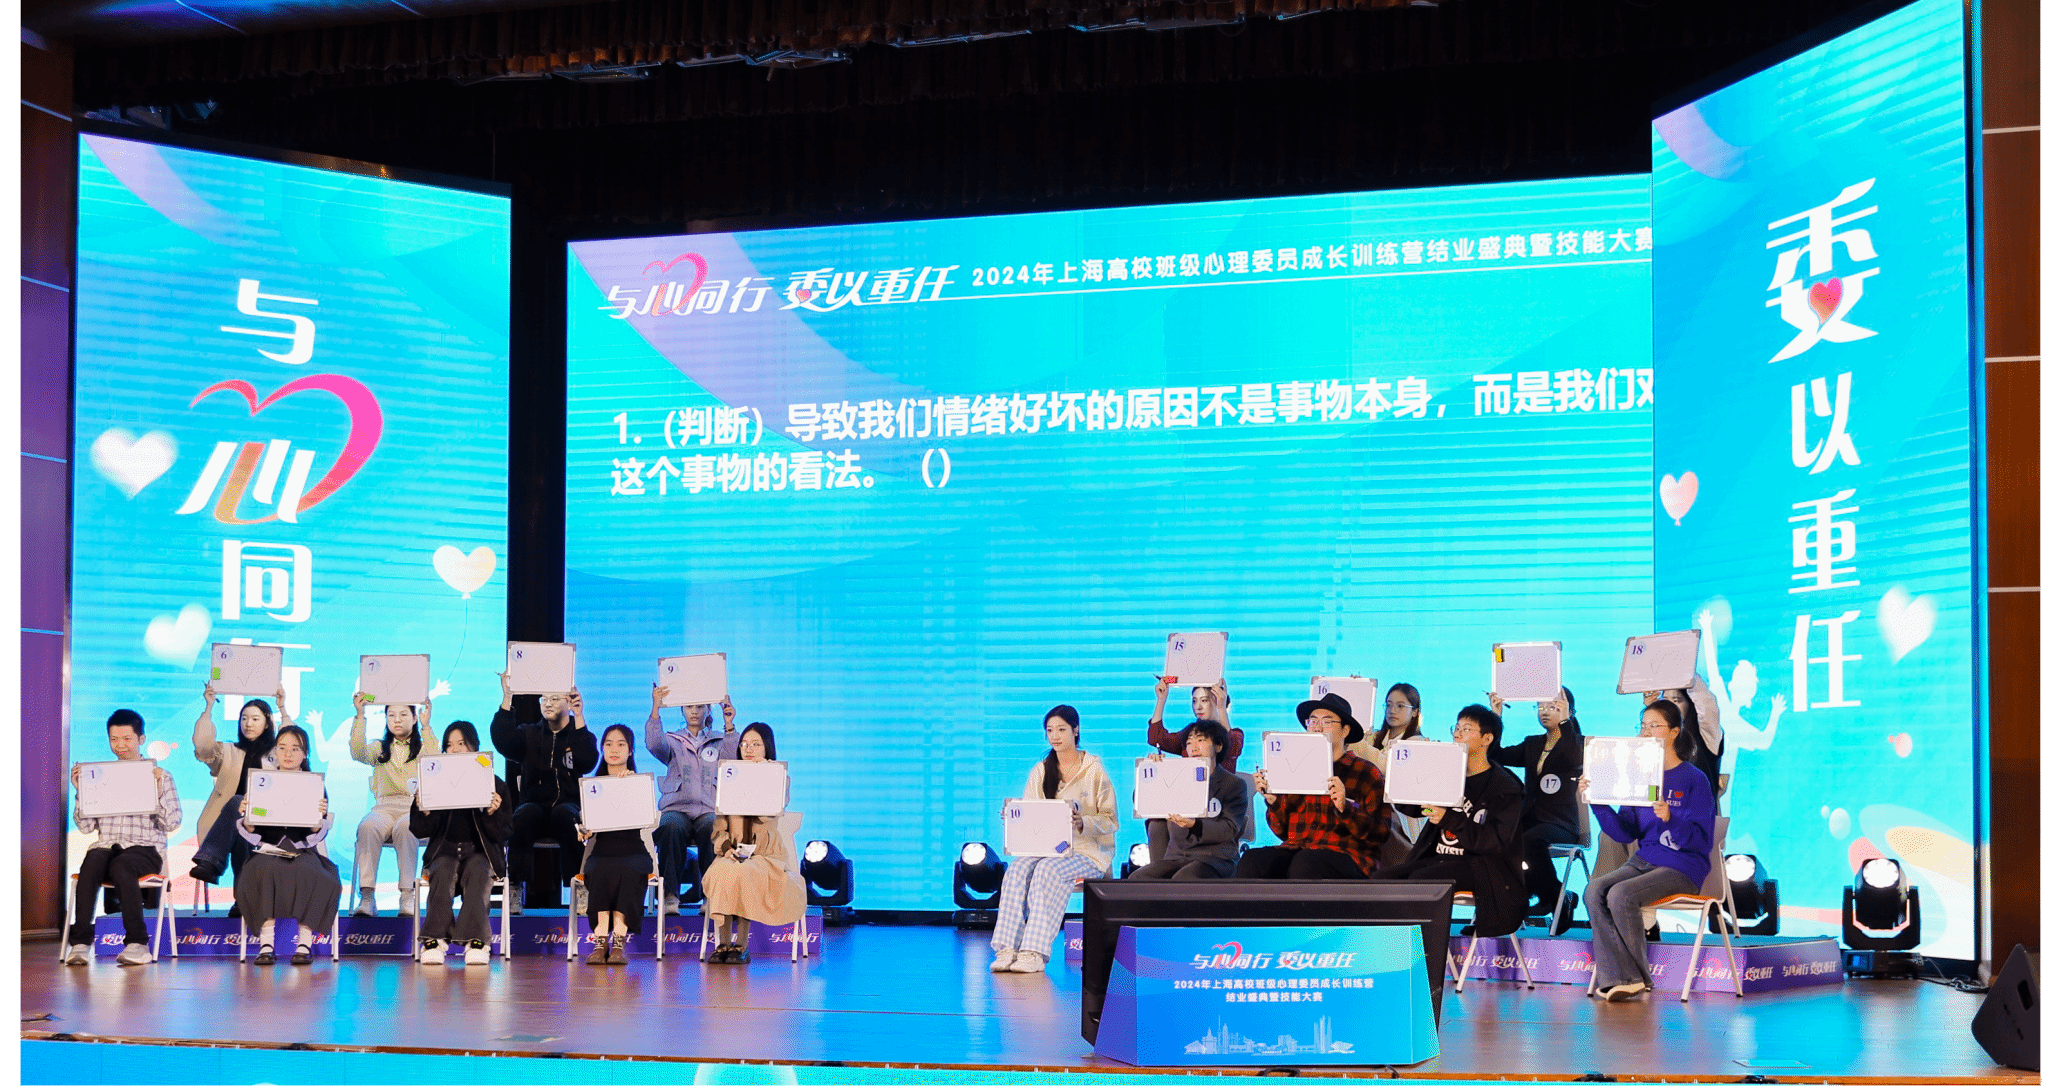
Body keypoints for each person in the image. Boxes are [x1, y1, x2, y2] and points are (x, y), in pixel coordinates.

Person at [1580, 699, 1717, 1001]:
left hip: (1684, 866)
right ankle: (1619, 977)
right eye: (1643, 726)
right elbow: (1623, 832)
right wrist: (1597, 800)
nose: (1645, 732)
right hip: (1646, 860)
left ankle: (1634, 978)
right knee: (1594, 890)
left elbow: (1700, 841)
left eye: (1654, 726)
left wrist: (1670, 819)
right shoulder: (1640, 775)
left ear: (1674, 732)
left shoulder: (1694, 779)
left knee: (1621, 894)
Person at [1373, 705, 1525, 937]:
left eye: (1467, 729)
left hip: (1482, 867)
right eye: (1456, 728)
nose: (1457, 734)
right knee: (1381, 880)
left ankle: (1422, 947)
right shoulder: (1447, 772)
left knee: (1420, 882)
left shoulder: (1505, 788)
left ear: (1487, 739)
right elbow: (1417, 808)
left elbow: (1494, 842)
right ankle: (1384, 942)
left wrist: (1449, 818)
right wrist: (1411, 772)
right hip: (1440, 859)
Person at [990, 706, 1118, 974]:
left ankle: (1034, 951)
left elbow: (1110, 820)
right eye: (1050, 730)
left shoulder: (1094, 770)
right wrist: (1015, 816)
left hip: (1088, 851)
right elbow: (1033, 815)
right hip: (1048, 849)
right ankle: (1007, 948)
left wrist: (1083, 822)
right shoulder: (1041, 771)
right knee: (1017, 869)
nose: (1055, 736)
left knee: (1048, 870)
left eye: (1061, 729)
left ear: (1076, 730)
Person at [65, 710, 183, 966]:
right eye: (114, 739)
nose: (120, 745)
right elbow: (85, 827)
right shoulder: (98, 775)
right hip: (107, 847)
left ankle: (137, 944)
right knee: (93, 860)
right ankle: (81, 944)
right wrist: (81, 793)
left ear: (141, 739)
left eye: (127, 739)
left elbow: (172, 822)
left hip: (145, 849)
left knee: (123, 865)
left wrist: (157, 796)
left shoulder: (160, 775)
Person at [1238, 694, 1391, 880]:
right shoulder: (1294, 768)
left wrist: (1346, 808)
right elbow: (1282, 832)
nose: (1317, 727)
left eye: (1327, 722)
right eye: (1312, 721)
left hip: (1347, 855)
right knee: (1253, 860)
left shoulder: (1366, 772)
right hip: (1298, 848)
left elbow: (1380, 834)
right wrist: (1274, 802)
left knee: (1306, 862)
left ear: (1345, 730)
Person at [233, 725, 342, 966]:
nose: (288, 754)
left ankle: (304, 944)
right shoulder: (261, 782)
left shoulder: (314, 784)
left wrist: (317, 819)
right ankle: (266, 944)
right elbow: (253, 830)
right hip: (268, 850)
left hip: (302, 850)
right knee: (260, 871)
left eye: (295, 749)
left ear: (305, 753)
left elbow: (315, 832)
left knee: (312, 873)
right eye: (282, 748)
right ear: (275, 751)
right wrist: (248, 816)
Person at [491, 672, 597, 912]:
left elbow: (587, 761)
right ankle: (515, 886)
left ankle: (579, 886)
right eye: (544, 699)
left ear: (568, 702)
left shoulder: (578, 734)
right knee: (522, 816)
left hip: (568, 806)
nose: (548, 704)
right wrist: (507, 697)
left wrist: (579, 717)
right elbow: (503, 741)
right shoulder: (529, 733)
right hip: (534, 806)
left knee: (568, 817)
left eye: (555, 699)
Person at [701, 723, 806, 965]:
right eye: (744, 744)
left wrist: (763, 775)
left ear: (767, 747)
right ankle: (722, 943)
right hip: (733, 853)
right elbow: (719, 828)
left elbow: (770, 812)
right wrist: (726, 848)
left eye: (756, 744)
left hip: (765, 856)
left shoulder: (779, 778)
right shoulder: (728, 779)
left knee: (745, 872)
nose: (748, 749)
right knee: (722, 871)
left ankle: (742, 945)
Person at [410, 719, 512, 966]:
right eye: (449, 745)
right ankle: (434, 940)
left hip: (480, 853)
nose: (454, 749)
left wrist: (492, 813)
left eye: (461, 744)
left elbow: (505, 832)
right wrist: (424, 811)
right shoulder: (433, 780)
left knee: (478, 873)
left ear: (474, 746)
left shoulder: (495, 783)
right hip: (444, 852)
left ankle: (476, 941)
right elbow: (419, 829)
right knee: (442, 873)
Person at [1491, 687, 1585, 926]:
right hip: (1530, 818)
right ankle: (1553, 896)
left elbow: (1572, 755)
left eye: (1552, 706)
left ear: (1568, 711)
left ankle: (1551, 897)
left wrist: (1565, 722)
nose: (1544, 711)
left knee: (1530, 841)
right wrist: (1496, 717)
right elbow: (1497, 756)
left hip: (1560, 823)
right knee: (1498, 838)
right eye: (1540, 706)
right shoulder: (1532, 743)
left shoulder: (1578, 744)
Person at [188, 683, 293, 896]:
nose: (248, 724)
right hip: (233, 823)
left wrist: (282, 709)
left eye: (255, 719)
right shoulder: (227, 751)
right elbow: (203, 746)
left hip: (268, 818)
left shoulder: (277, 754)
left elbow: (292, 741)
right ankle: (243, 901)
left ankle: (211, 861)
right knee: (241, 823)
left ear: (267, 723)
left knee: (239, 804)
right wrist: (208, 707)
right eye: (244, 718)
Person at [645, 688, 737, 916]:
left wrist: (729, 724)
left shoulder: (719, 739)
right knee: (670, 826)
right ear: (682, 710)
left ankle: (711, 895)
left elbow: (734, 757)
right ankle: (669, 896)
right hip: (677, 807)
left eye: (699, 707)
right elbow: (654, 744)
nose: (694, 712)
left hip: (708, 808)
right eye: (689, 707)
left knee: (712, 828)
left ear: (708, 709)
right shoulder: (672, 740)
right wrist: (656, 707)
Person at [349, 691, 439, 917]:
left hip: (413, 807)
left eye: (403, 714)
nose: (397, 720)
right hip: (383, 807)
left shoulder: (422, 747)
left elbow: (436, 759)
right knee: (367, 827)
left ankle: (407, 895)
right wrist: (360, 715)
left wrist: (426, 727)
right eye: (391, 715)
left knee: (406, 827)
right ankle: (367, 896)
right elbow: (357, 752)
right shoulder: (379, 747)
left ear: (414, 717)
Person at [575, 724, 659, 965]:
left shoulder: (638, 782)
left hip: (634, 849)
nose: (614, 749)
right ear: (602, 749)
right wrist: (584, 830)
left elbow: (646, 818)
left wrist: (630, 787)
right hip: (602, 850)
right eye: (609, 744)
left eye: (621, 744)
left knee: (628, 869)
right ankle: (601, 942)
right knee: (600, 869)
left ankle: (619, 944)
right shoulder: (592, 786)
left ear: (630, 751)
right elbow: (587, 823)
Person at [1128, 719, 1248, 881]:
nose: (1194, 747)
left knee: (1184, 879)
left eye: (1201, 740)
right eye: (1189, 743)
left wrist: (1195, 825)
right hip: (1178, 856)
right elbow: (1144, 803)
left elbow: (1230, 829)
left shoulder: (1233, 784)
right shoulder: (1176, 778)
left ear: (1218, 746)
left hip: (1215, 858)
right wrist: (1156, 772)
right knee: (1138, 878)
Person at [1350, 682, 1426, 866]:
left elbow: (1387, 766)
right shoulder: (1373, 738)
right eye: (1389, 705)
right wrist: (1356, 691)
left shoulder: (1418, 743)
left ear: (1415, 712)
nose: (1392, 710)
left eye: (1400, 706)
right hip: (1370, 812)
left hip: (1401, 822)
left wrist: (1355, 740)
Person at [1642, 678, 1723, 793]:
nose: (1669, 706)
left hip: (1697, 804)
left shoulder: (1707, 733)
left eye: (1676, 700)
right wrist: (1652, 712)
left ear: (1691, 704)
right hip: (1658, 803)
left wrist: (1682, 672)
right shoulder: (1656, 737)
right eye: (1665, 700)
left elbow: (1705, 701)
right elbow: (1649, 781)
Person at [1146, 678, 1245, 771]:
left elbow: (1229, 746)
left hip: (1219, 784)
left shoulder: (1236, 735)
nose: (1198, 707)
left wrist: (1221, 708)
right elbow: (1156, 738)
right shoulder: (1189, 733)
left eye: (1204, 700)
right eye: (1194, 701)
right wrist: (1161, 699)